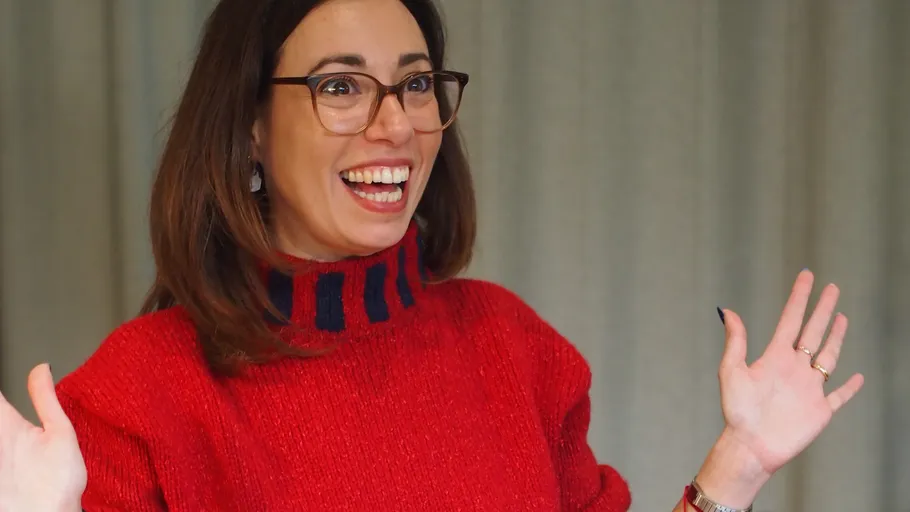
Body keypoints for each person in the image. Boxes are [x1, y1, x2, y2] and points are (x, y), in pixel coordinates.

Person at [0, 0, 865, 510]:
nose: (396, 124)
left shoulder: (514, 348)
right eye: (342, 86)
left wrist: (737, 465)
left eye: (415, 83)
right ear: (249, 126)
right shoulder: (135, 395)